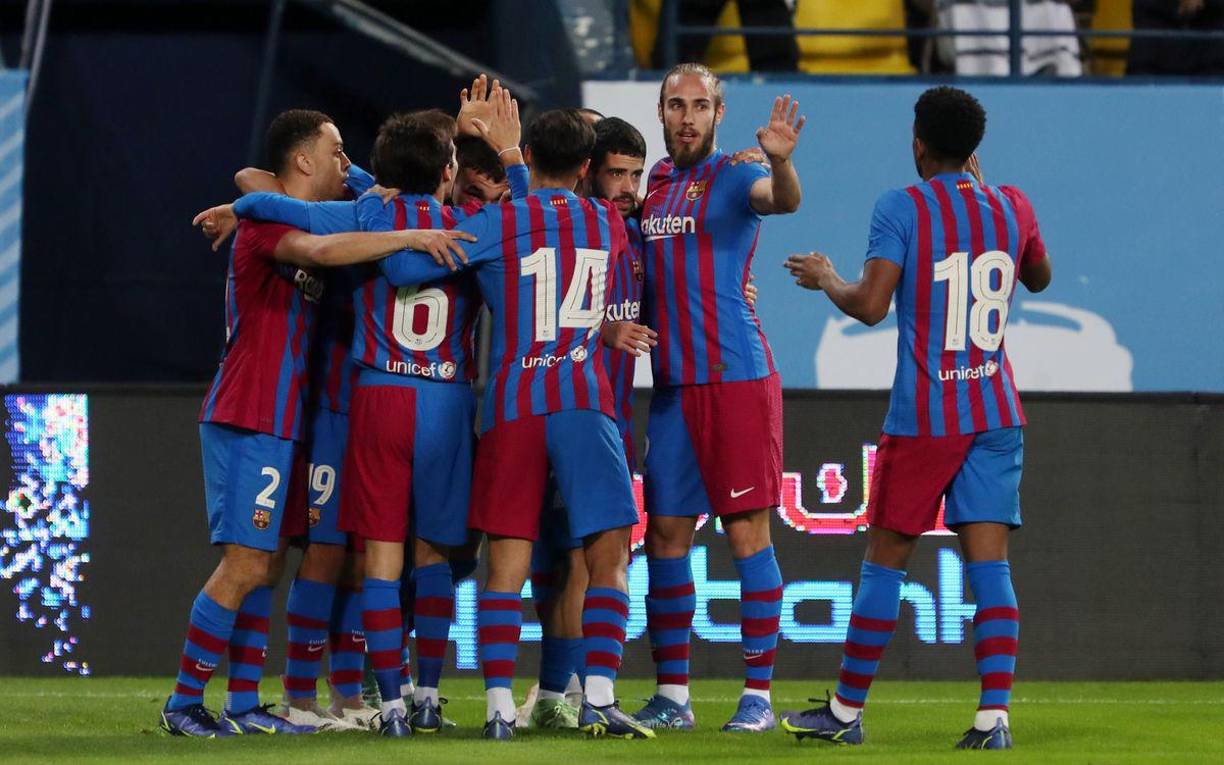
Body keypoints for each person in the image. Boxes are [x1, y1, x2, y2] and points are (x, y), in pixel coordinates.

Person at [230, 83, 528, 738]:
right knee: (434, 555)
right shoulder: (474, 225)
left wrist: (238, 206)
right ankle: (427, 696)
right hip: (445, 398)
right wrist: (497, 156)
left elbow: (269, 200)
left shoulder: (367, 213)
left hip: (376, 395)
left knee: (377, 557)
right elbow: (529, 220)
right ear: (449, 169)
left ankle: (388, 705)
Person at [160, 109, 470, 738]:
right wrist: (408, 237)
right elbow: (321, 247)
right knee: (247, 563)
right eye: (336, 151)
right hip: (249, 410)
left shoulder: (293, 209)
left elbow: (265, 183)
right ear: (304, 160)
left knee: (267, 563)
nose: (344, 161)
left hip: (283, 416)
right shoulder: (269, 225)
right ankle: (184, 702)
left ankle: (243, 704)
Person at [778, 85, 1051, 751]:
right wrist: (992, 206)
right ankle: (993, 719)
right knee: (990, 567)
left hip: (927, 414)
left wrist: (827, 277)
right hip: (995, 411)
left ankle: (845, 712)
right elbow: (1038, 277)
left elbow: (871, 305)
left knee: (886, 559)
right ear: (974, 147)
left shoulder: (902, 205)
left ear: (919, 144)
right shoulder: (1012, 204)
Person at [372, 105, 653, 742]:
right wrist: (516, 164)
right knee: (609, 553)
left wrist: (388, 211)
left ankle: (498, 709)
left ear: (529, 155)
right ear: (588, 167)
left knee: (505, 563)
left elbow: (408, 269)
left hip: (512, 406)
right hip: (584, 401)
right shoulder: (607, 221)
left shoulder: (496, 223)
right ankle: (599, 698)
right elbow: (554, 220)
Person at [632, 62, 802, 734]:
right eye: (676, 105)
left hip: (735, 378)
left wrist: (781, 162)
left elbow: (780, 200)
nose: (687, 117)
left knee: (746, 533)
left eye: (700, 105)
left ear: (718, 114)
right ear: (661, 111)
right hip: (673, 386)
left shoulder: (735, 172)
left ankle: (757, 697)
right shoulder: (655, 183)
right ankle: (673, 695)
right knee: (665, 535)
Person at [519, 116, 656, 731]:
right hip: (550, 411)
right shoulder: (565, 229)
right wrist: (602, 329)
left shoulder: (645, 238)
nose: (626, 187)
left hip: (607, 419)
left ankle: (567, 690)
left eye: (635, 174)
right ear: (586, 172)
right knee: (550, 565)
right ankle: (564, 688)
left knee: (582, 558)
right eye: (615, 173)